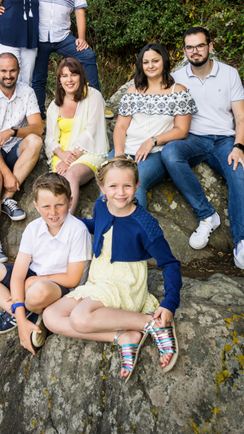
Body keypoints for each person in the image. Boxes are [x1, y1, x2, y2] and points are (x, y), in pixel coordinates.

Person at [43, 157, 182, 381]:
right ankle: (122, 336)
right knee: (50, 316)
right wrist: (70, 221)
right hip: (98, 280)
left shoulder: (145, 224)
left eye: (127, 185)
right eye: (113, 186)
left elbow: (170, 263)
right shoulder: (101, 205)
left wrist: (170, 303)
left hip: (124, 283)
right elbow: (99, 227)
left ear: (137, 185)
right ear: (102, 187)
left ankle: (153, 323)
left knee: (79, 319)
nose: (120, 192)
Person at [161, 26, 244, 270]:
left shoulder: (229, 73)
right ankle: (207, 215)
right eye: (190, 47)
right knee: (170, 153)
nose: (195, 51)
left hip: (224, 140)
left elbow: (242, 117)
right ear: (184, 50)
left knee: (237, 170)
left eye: (200, 46)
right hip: (193, 139)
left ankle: (243, 246)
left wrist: (238, 146)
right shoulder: (176, 78)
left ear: (210, 47)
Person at [0, 173, 92, 353]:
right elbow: (18, 274)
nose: (53, 212)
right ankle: (24, 314)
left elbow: (72, 279)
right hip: (34, 278)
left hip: (62, 287)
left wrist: (35, 281)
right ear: (36, 206)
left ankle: (32, 307)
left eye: (59, 204)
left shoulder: (78, 231)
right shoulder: (33, 228)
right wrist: (20, 318)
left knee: (37, 290)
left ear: (70, 201)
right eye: (46, 206)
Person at [0, 0, 113, 120]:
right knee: (39, 78)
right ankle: (39, 116)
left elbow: (79, 11)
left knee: (88, 56)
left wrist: (81, 37)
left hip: (63, 37)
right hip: (38, 37)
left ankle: (97, 104)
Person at [109, 43, 197, 208]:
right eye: (146, 62)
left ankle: (138, 225)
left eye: (155, 61)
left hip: (155, 152)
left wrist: (152, 140)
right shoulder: (132, 91)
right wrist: (119, 155)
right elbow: (120, 126)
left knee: (134, 183)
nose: (150, 66)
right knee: (109, 182)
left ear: (164, 61)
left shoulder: (178, 92)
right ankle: (109, 224)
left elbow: (182, 130)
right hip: (126, 148)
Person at [0, 53, 43, 263]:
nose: (8, 75)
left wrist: (12, 131)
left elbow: (38, 128)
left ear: (19, 71)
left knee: (35, 141)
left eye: (12, 70)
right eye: (3, 71)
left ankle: (7, 198)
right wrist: (6, 173)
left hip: (14, 146)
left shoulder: (27, 92)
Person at [45, 58, 108, 213]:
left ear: (81, 76)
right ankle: (54, 223)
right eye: (64, 76)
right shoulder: (54, 105)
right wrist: (62, 155)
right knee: (56, 186)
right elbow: (50, 139)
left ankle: (67, 222)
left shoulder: (93, 96)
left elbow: (91, 130)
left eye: (74, 74)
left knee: (71, 175)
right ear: (59, 80)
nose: (69, 80)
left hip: (88, 152)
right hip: (62, 155)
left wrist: (71, 159)